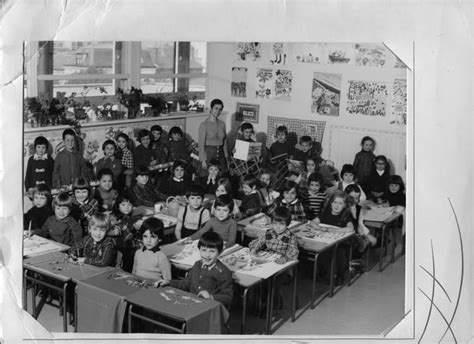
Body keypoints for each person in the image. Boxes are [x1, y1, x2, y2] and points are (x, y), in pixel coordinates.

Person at [156, 231, 233, 309]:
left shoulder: (223, 272)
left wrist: (211, 297)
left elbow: (228, 297)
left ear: (219, 252)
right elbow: (185, 284)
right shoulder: (197, 265)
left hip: (208, 308)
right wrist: (168, 282)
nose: (207, 255)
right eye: (204, 250)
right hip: (191, 305)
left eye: (212, 251)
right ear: (199, 250)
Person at [309, 190, 354, 285]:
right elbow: (312, 222)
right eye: (335, 203)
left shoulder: (345, 216)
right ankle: (324, 274)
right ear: (331, 203)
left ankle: (335, 275)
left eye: (340, 203)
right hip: (323, 242)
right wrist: (319, 228)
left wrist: (333, 230)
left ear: (345, 205)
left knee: (337, 252)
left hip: (339, 244)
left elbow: (350, 228)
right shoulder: (325, 213)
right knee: (321, 252)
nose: (337, 206)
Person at [109, 193, 142, 272]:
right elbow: (124, 231)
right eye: (123, 205)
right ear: (118, 206)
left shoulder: (128, 217)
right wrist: (134, 227)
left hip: (128, 246)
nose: (127, 207)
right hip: (122, 247)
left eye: (129, 204)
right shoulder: (115, 218)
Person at [132, 217, 172, 281]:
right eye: (145, 236)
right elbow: (134, 273)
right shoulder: (138, 253)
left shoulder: (161, 258)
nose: (148, 240)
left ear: (159, 239)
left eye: (153, 237)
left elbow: (167, 281)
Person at [345, 184, 377, 259]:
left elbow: (360, 224)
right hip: (347, 233)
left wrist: (365, 234)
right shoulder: (344, 207)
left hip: (356, 232)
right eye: (351, 197)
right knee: (360, 244)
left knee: (373, 240)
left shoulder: (358, 208)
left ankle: (357, 258)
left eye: (357, 197)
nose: (355, 200)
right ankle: (353, 260)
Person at [198, 98, 229, 173]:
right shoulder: (204, 125)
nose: (218, 111)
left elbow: (224, 142)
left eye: (220, 109)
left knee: (222, 176)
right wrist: (203, 160)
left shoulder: (222, 124)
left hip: (221, 155)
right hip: (209, 155)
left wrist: (226, 157)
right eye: (216, 108)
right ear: (211, 108)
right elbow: (201, 145)